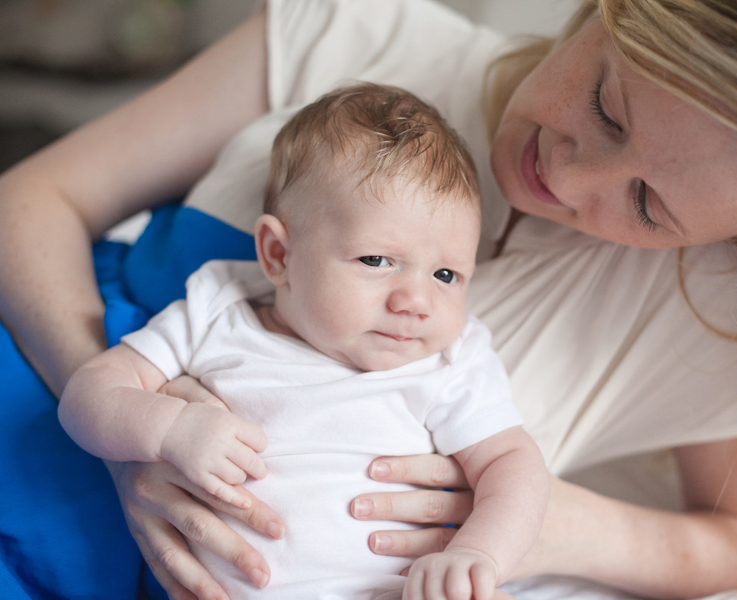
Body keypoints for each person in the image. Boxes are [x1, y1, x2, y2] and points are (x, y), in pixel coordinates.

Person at [0, 0, 737, 599]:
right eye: (606, 106)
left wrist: (546, 523)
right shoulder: (361, 32)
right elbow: (31, 200)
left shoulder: (713, 311)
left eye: (649, 205)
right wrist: (134, 432)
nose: (570, 176)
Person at [57, 83, 548, 600]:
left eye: (446, 274)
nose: (417, 301)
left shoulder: (449, 360)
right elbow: (89, 394)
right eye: (377, 261)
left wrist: (479, 555)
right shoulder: (219, 311)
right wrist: (170, 427)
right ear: (278, 254)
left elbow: (513, 464)